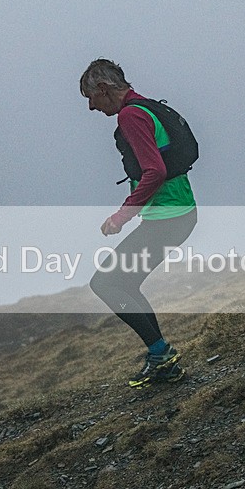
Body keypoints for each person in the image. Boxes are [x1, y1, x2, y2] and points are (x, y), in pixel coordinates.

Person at [80, 59, 198, 388]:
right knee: (123, 284)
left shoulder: (131, 115)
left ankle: (161, 355)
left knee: (105, 283)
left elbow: (155, 171)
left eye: (91, 98)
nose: (91, 107)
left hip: (168, 218)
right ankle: (162, 358)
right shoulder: (145, 106)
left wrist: (122, 215)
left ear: (104, 89)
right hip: (178, 213)